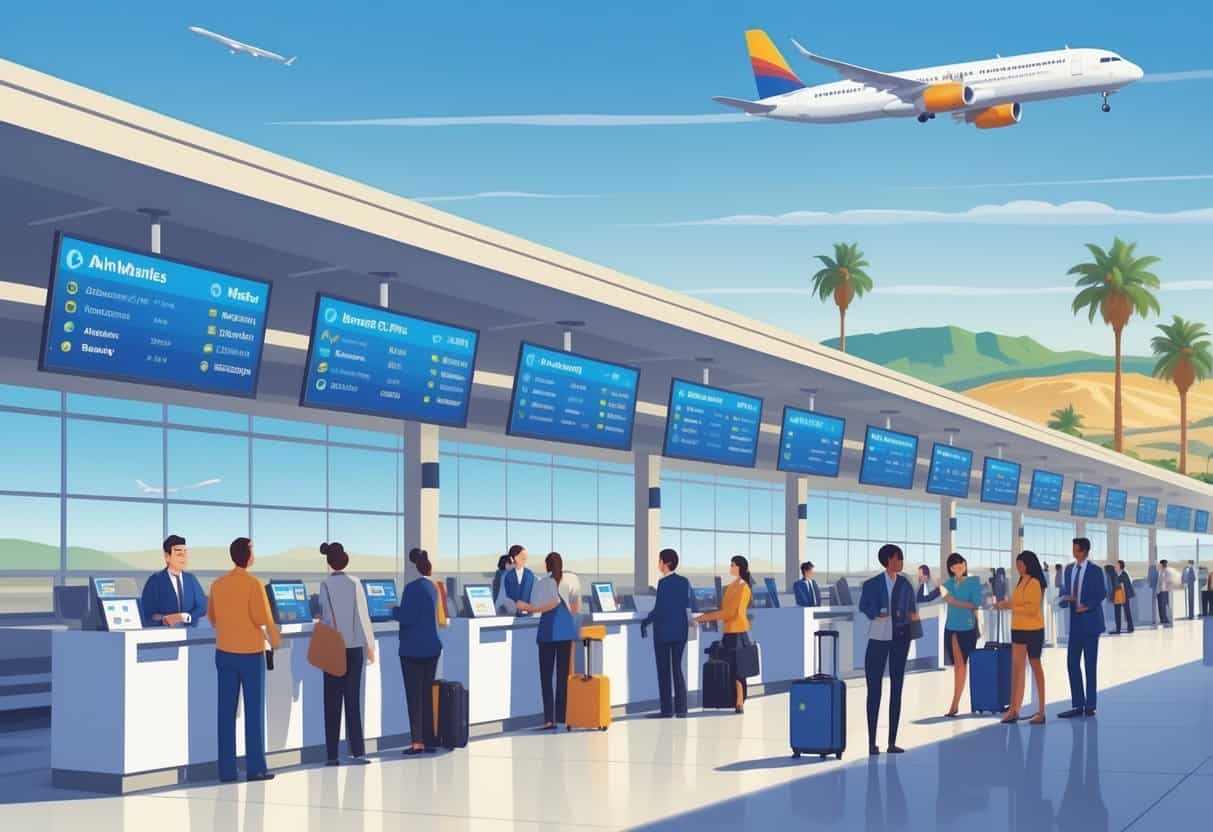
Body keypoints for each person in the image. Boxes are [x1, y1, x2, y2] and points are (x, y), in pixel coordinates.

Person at [207, 537, 280, 783]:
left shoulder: (218, 584)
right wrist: (275, 641)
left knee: (225, 713)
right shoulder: (253, 584)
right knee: (253, 712)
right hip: (250, 654)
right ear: (248, 556)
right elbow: (264, 618)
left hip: (225, 653)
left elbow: (213, 618)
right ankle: (255, 768)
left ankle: (226, 771)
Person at [317, 542, 376, 766]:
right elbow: (363, 617)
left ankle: (332, 755)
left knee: (331, 703)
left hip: (333, 649)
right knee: (353, 701)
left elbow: (326, 617)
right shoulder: (355, 583)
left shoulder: (325, 585)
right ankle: (358, 752)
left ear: (328, 562)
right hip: (354, 650)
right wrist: (370, 646)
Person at [858, 544, 920, 754]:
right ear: (887, 561)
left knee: (897, 689)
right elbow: (863, 606)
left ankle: (892, 742)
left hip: (900, 640)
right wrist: (877, 613)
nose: (900, 562)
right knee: (874, 690)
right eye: (896, 559)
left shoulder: (905, 584)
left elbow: (913, 610)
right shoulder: (872, 584)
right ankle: (871, 743)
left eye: (901, 559)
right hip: (877, 639)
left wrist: (913, 636)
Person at [518, 552, 581, 730]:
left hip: (547, 633)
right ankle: (562, 716)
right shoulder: (572, 580)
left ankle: (549, 719)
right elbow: (575, 609)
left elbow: (538, 608)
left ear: (547, 566)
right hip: (566, 632)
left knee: (546, 678)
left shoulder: (543, 583)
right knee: (563, 678)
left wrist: (525, 606)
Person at [393, 548, 443, 755]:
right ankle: (430, 740)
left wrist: (392, 610)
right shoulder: (433, 587)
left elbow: (407, 617)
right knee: (426, 695)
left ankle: (417, 742)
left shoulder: (412, 588)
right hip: (432, 647)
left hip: (412, 649)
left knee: (414, 697)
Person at [694, 555, 755, 713]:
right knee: (731, 667)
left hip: (738, 631)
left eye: (733, 565)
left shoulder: (744, 587)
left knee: (738, 669)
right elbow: (725, 610)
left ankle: (740, 701)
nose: (730, 567)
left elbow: (732, 612)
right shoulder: (731, 586)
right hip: (729, 631)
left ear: (740, 567)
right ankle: (733, 699)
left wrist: (704, 618)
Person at [995, 551, 1047, 725]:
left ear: (1028, 564)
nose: (1018, 568)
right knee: (1016, 669)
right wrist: (1008, 605)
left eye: (1020, 564)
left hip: (1033, 630)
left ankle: (1041, 711)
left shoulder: (1035, 583)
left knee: (1035, 667)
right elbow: (1020, 603)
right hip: (1018, 629)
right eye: (1017, 565)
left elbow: (1032, 609)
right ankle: (1014, 709)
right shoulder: (1021, 581)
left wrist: (1010, 605)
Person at [641, 548, 692, 718]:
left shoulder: (663, 583)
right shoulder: (684, 581)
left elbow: (659, 609)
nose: (658, 563)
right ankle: (682, 708)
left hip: (663, 632)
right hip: (680, 631)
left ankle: (667, 710)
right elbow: (686, 605)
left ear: (666, 563)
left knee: (664, 671)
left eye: (659, 560)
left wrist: (646, 621)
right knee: (677, 668)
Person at [1059, 538, 1106, 719]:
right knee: (1072, 663)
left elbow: (1101, 593)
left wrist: (1086, 606)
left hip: (1091, 623)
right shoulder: (1069, 569)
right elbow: (1066, 591)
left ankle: (1090, 705)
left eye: (1077, 551)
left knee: (1089, 664)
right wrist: (1065, 599)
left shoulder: (1095, 571)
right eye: (1073, 550)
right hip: (1075, 623)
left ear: (1085, 552)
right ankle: (1078, 704)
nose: (1074, 554)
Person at [940, 553, 982, 718]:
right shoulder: (947, 583)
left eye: (960, 564)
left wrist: (953, 601)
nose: (957, 567)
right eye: (953, 566)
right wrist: (951, 600)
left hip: (967, 628)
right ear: (950, 569)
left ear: (965, 564)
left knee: (962, 665)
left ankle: (955, 704)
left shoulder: (973, 581)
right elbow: (942, 596)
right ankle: (955, 704)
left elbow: (975, 604)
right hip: (951, 628)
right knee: (958, 666)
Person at [141, 534, 207, 627]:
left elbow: (202, 606)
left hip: (190, 632)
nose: (184, 558)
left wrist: (186, 617)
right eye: (179, 554)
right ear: (167, 557)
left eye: (185, 554)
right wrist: (166, 619)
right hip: (164, 633)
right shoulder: (155, 581)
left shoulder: (190, 579)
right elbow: (148, 612)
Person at [500, 545, 535, 616]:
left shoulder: (530, 575)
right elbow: (502, 597)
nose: (525, 558)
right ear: (515, 557)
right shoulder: (507, 575)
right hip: (510, 615)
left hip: (528, 616)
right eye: (522, 555)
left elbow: (534, 595)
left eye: (526, 555)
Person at [1112, 560, 1135, 634]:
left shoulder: (1124, 574)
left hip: (1124, 594)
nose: (1115, 566)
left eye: (1117, 565)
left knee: (1127, 611)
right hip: (1117, 595)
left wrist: (1124, 597)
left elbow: (1125, 586)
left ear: (1120, 566)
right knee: (1117, 612)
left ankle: (1130, 627)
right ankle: (1118, 629)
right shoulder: (1115, 574)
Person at [1156, 559, 1174, 627]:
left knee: (1164, 606)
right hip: (1160, 591)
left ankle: (1165, 619)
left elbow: (1169, 581)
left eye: (1161, 564)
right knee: (1160, 606)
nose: (1160, 565)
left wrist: (1168, 589)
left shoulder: (1167, 571)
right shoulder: (1160, 571)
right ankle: (1162, 619)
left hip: (1164, 591)